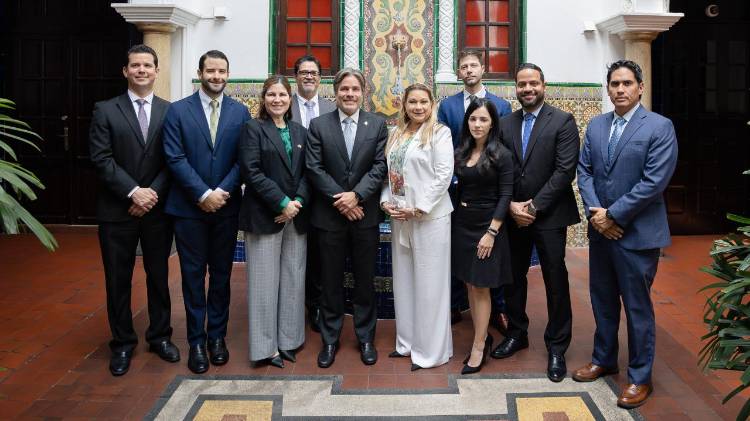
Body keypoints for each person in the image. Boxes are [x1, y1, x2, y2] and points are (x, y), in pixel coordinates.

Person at [574, 60, 678, 409]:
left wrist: (613, 215)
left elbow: (654, 182)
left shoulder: (659, 127)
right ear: (608, 88)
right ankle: (604, 359)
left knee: (637, 308)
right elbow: (585, 172)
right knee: (602, 300)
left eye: (627, 83)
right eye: (614, 84)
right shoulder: (597, 125)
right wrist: (597, 215)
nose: (620, 89)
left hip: (637, 235)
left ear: (640, 87)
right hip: (602, 233)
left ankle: (639, 377)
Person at [89, 44, 178, 376]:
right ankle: (123, 343)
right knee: (118, 279)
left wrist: (151, 193)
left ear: (156, 71)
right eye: (135, 65)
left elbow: (174, 159)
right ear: (125, 71)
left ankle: (160, 337)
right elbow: (101, 158)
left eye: (147, 65)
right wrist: (133, 192)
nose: (142, 70)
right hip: (117, 210)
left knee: (158, 276)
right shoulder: (105, 110)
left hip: (157, 209)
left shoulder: (170, 112)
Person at [163, 50, 251, 374]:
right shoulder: (177, 111)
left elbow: (244, 159)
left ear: (228, 73)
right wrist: (202, 194)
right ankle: (196, 342)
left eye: (222, 71)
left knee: (221, 276)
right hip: (189, 209)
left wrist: (220, 193)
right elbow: (174, 158)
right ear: (200, 73)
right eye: (211, 71)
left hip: (225, 208)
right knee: (192, 276)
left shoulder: (240, 112)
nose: (216, 76)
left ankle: (217, 337)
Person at [491, 63, 580, 384]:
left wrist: (533, 206)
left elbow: (565, 171)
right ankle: (517, 333)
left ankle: (557, 346)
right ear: (515, 88)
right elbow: (499, 168)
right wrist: (511, 206)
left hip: (550, 215)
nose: (527, 89)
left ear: (544, 85)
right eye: (522, 84)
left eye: (533, 83)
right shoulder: (505, 123)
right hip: (514, 215)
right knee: (513, 278)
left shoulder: (563, 121)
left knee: (555, 279)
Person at [306, 68, 388, 368]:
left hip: (365, 216)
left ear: (362, 92)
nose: (349, 94)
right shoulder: (318, 125)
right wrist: (343, 200)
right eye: (344, 89)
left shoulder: (377, 124)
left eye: (355, 89)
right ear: (335, 92)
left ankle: (365, 338)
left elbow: (380, 167)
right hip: (329, 218)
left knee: (365, 281)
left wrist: (357, 196)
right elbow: (314, 168)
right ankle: (330, 339)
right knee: (330, 282)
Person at [380, 83, 454, 371]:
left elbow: (443, 175)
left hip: (428, 217)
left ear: (432, 104)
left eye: (424, 101)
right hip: (400, 216)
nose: (418, 107)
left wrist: (419, 207)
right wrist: (386, 202)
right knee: (404, 282)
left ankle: (430, 352)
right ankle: (407, 343)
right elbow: (390, 175)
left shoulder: (440, 133)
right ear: (405, 105)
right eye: (413, 102)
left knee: (430, 286)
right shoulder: (396, 133)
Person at [437, 49, 512, 329]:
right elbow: (444, 146)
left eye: (473, 65)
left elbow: (503, 147)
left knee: (489, 259)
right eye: (464, 66)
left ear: (483, 69)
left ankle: (497, 308)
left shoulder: (501, 105)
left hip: (489, 191)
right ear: (459, 72)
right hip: (459, 190)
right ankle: (457, 305)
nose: (468, 70)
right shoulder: (448, 106)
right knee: (460, 255)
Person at [238, 75, 309, 368]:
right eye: (271, 95)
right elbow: (251, 171)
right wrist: (282, 203)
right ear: (264, 99)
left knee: (293, 279)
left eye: (282, 95)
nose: (277, 100)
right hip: (265, 215)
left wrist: (297, 202)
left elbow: (308, 172)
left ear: (290, 99)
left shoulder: (300, 131)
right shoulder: (253, 129)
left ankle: (289, 341)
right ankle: (265, 348)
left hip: (296, 216)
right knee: (264, 285)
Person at [451, 98, 513, 375]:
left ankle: (478, 346)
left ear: (492, 123)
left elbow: (506, 195)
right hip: (463, 224)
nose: (477, 124)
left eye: (483, 119)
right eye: (473, 119)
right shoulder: (461, 152)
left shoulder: (501, 154)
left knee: (481, 286)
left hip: (487, 227)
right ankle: (483, 336)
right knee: (470, 284)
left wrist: (491, 232)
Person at [289, 54, 336, 334]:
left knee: (319, 254)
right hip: (292, 194)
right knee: (295, 254)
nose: (309, 76)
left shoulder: (332, 108)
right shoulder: (283, 104)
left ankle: (316, 305)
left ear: (320, 78)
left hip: (323, 196)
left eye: (313, 73)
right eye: (304, 72)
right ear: (296, 76)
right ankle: (293, 307)